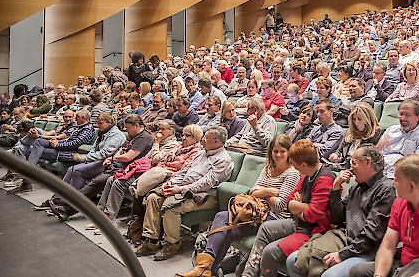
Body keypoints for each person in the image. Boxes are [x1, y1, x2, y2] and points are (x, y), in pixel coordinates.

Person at [177, 135, 300, 277]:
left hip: (274, 218)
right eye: (275, 151)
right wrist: (268, 191)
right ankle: (207, 268)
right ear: (271, 152)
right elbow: (253, 191)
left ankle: (207, 269)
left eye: (282, 151)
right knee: (221, 216)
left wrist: (262, 192)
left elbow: (279, 205)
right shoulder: (268, 168)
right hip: (254, 210)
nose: (278, 155)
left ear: (289, 152)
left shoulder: (292, 174)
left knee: (226, 232)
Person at [286, 144, 395, 277]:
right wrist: (336, 188)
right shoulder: (356, 187)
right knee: (292, 260)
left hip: (366, 249)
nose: (351, 168)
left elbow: (371, 235)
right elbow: (337, 218)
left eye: (353, 163)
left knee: (330, 276)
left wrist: (342, 255)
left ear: (367, 163)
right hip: (344, 238)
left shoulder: (386, 190)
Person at [136, 126, 234, 260]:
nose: (203, 140)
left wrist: (181, 189)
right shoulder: (201, 153)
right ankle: (151, 240)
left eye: (206, 138)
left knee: (171, 207)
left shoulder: (223, 160)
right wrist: (171, 183)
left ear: (216, 141)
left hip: (204, 196)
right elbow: (184, 171)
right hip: (183, 187)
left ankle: (173, 243)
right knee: (153, 197)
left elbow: (206, 184)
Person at [240, 139, 335, 277]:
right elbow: (289, 203)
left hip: (314, 231)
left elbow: (313, 215)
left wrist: (299, 210)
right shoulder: (305, 175)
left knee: (269, 252)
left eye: (295, 166)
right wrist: (302, 207)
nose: (294, 168)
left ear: (303, 165)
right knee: (266, 228)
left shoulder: (324, 178)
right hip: (299, 223)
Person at [49, 114, 154, 222]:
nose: (126, 130)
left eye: (127, 128)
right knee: (84, 176)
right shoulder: (132, 135)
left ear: (136, 125)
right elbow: (122, 150)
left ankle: (66, 208)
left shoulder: (144, 138)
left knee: (95, 183)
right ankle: (64, 205)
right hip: (120, 168)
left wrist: (113, 158)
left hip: (131, 172)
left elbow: (128, 157)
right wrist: (112, 158)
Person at [6, 109, 96, 194]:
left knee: (28, 150)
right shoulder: (79, 127)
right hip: (61, 146)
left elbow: (75, 144)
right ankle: (26, 176)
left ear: (83, 117)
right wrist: (57, 142)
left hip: (67, 153)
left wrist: (58, 144)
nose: (75, 118)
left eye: (77, 117)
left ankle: (26, 179)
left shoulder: (87, 129)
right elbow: (67, 139)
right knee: (38, 142)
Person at [378, 100, 419, 179]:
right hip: (380, 174)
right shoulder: (390, 130)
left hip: (404, 178)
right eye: (401, 114)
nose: (403, 118)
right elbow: (377, 155)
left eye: (407, 115)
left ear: (418, 117)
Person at [327, 102, 381, 170]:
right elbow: (339, 151)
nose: (356, 123)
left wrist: (340, 161)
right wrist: (336, 155)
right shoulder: (349, 132)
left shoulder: (376, 135)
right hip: (342, 165)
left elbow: (364, 160)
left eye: (360, 119)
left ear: (369, 119)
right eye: (354, 119)